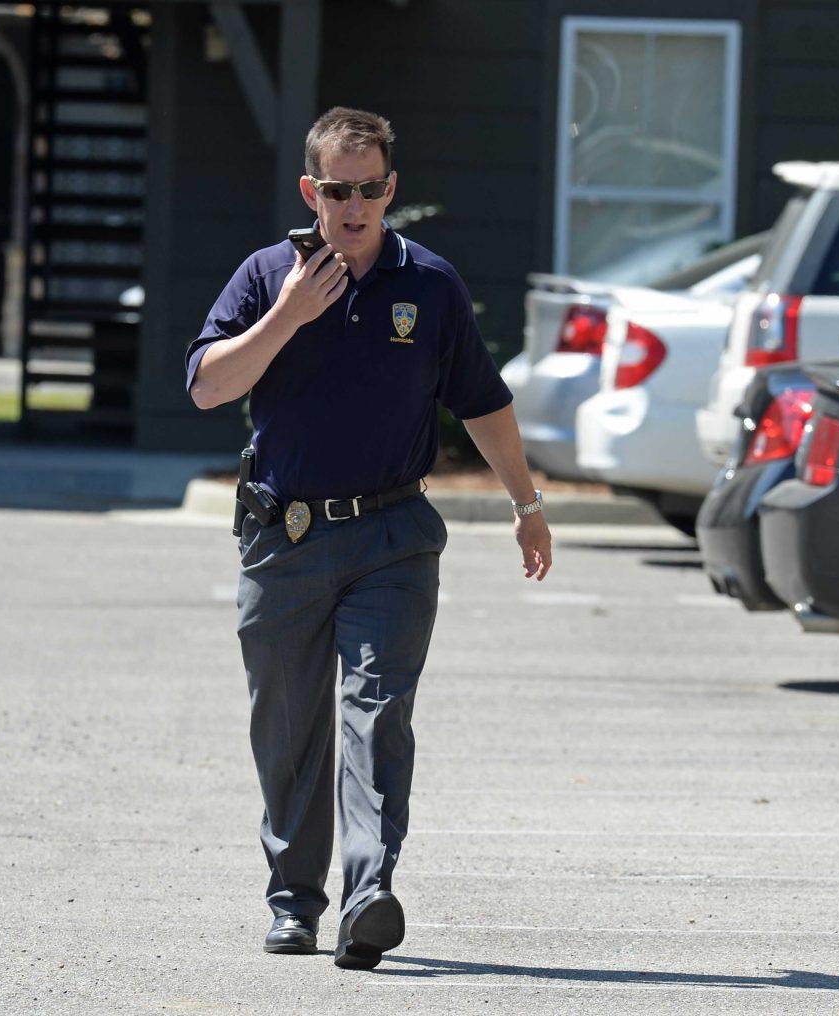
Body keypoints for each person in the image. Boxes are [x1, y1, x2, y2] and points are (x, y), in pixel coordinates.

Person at [184, 107, 552, 969]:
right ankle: (293, 902)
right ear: (313, 191)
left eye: (372, 189)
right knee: (287, 730)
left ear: (392, 188)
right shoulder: (267, 275)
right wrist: (285, 318)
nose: (356, 207)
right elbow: (205, 387)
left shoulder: (430, 285)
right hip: (285, 540)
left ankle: (369, 891)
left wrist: (526, 505)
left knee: (377, 714)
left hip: (393, 536)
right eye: (340, 191)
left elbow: (483, 401)